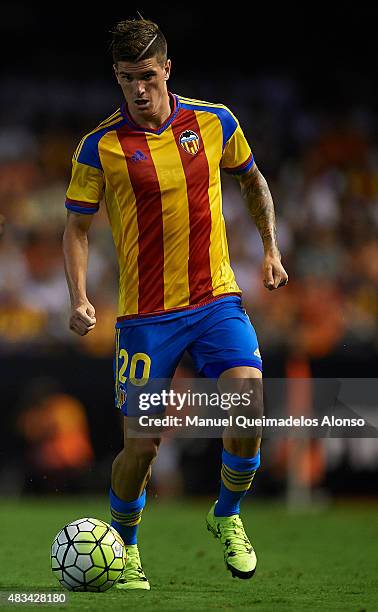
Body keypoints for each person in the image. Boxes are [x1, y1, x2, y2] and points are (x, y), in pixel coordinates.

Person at [63, 17, 288, 590]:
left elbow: (251, 179)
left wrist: (269, 249)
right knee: (140, 448)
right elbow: (77, 229)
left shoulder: (216, 121)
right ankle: (126, 550)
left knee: (248, 397)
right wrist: (81, 298)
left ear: (166, 68)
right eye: (123, 78)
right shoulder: (99, 146)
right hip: (144, 317)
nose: (136, 89)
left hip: (216, 299)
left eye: (144, 75)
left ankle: (228, 514)